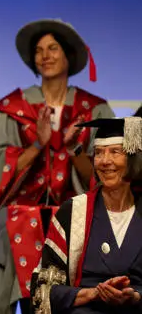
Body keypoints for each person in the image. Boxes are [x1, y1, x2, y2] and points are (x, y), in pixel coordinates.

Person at [0, 19, 115, 314]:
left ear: (68, 56)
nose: (45, 55)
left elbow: (104, 179)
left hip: (75, 222)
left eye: (53, 48)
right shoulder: (13, 110)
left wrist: (74, 150)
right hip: (16, 223)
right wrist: (36, 145)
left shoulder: (94, 111)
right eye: (39, 50)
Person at [31, 116, 142, 314]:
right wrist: (93, 293)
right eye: (99, 153)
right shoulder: (73, 212)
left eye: (115, 152)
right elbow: (44, 289)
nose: (105, 161)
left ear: (133, 158)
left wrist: (135, 296)